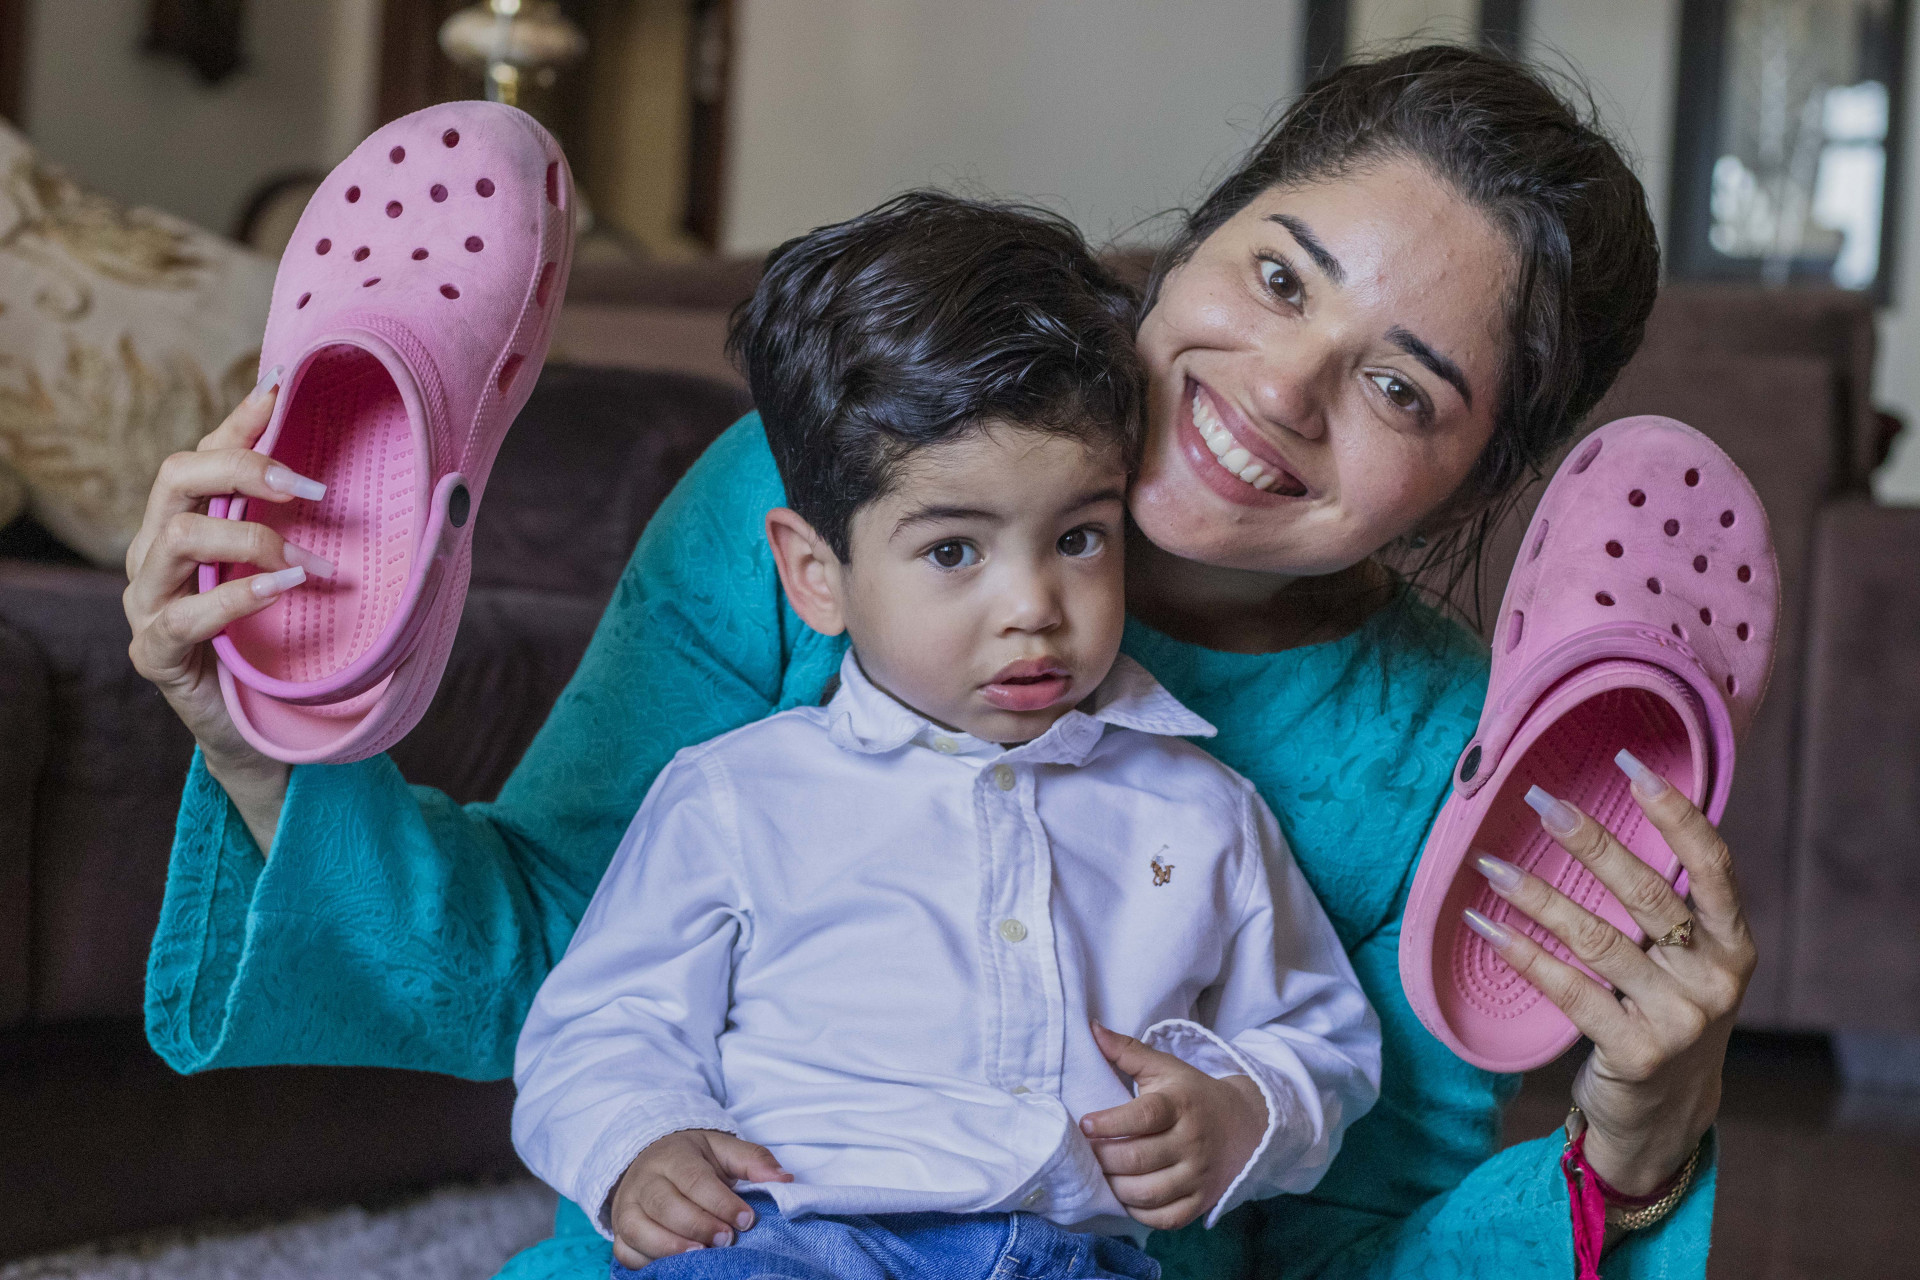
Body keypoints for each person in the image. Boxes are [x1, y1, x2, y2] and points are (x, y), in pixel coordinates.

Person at [126, 46, 1752, 1278]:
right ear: (1191, 243)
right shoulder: (812, 486)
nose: (1281, 388)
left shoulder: (1441, 753)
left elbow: (1353, 1231)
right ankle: (342, 621)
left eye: (1406, 390)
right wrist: (264, 744)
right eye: (1276, 276)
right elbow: (561, 950)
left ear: (1480, 483)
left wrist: (1642, 1137)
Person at [513, 194, 1381, 1279]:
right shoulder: (738, 795)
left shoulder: (1199, 807)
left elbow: (1321, 1039)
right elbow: (602, 1024)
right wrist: (637, 1142)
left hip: (1078, 1257)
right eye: (954, 552)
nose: (1033, 604)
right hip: (792, 1237)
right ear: (815, 573)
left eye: (1077, 537)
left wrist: (1244, 1112)